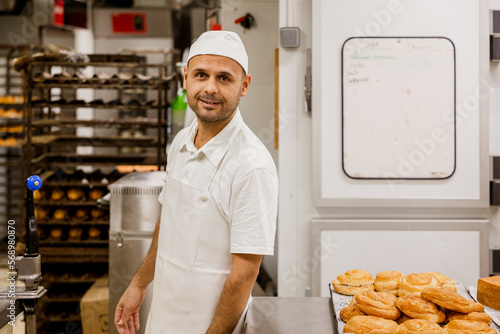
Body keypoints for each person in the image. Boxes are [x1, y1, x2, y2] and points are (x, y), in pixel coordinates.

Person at [114, 30, 279, 334]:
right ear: (186, 77)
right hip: (163, 316)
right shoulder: (181, 142)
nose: (210, 88)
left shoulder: (252, 166)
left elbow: (245, 273)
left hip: (209, 325)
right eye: (201, 75)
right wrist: (138, 284)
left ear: (244, 86)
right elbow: (170, 218)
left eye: (224, 78)